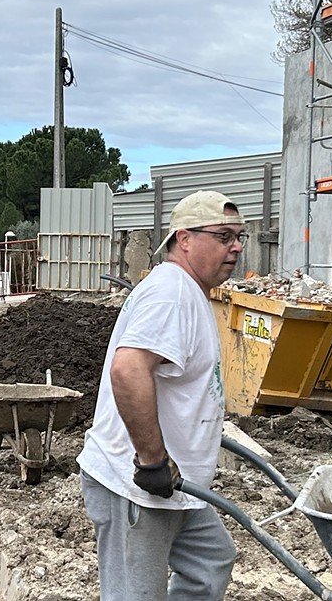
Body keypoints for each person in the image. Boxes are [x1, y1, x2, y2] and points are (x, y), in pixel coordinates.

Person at [76, 190, 247, 600]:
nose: (236, 246)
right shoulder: (170, 293)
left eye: (239, 236)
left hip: (179, 484)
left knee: (210, 562)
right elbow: (128, 369)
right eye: (224, 236)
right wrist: (151, 460)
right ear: (184, 239)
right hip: (137, 481)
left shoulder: (189, 290)